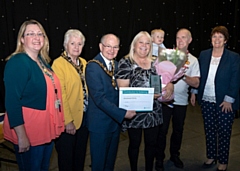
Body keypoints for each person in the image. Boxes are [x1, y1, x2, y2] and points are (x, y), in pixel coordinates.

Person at [3, 19, 65, 171]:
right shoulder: (18, 62)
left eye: (40, 34)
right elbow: (12, 101)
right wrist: (22, 136)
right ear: (22, 39)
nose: (36, 37)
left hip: (45, 128)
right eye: (30, 34)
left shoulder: (42, 61)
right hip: (29, 130)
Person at [115, 31, 174, 171]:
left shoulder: (156, 61)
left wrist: (170, 84)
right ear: (134, 45)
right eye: (141, 42)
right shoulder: (125, 62)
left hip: (154, 111)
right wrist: (147, 95)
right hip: (134, 112)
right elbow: (123, 90)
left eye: (148, 43)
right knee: (134, 144)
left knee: (151, 144)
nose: (144, 46)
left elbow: (165, 79)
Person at [191, 26, 240, 171]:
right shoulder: (204, 54)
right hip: (206, 99)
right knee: (209, 130)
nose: (217, 39)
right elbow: (198, 75)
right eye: (214, 36)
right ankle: (211, 156)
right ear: (211, 39)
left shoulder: (233, 57)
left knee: (224, 132)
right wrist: (194, 91)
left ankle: (223, 161)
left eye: (220, 37)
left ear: (225, 40)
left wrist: (229, 99)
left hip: (225, 102)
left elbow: (235, 79)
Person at [85, 33, 136, 171]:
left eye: (115, 47)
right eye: (108, 46)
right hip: (100, 125)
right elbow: (100, 99)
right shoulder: (93, 67)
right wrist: (123, 113)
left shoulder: (117, 65)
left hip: (114, 123)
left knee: (110, 163)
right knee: (99, 164)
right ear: (101, 46)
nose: (112, 50)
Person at [155, 28, 200, 171]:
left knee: (178, 130)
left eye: (183, 38)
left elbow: (196, 83)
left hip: (181, 101)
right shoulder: (167, 55)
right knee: (162, 131)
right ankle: (159, 159)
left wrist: (182, 74)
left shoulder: (193, 60)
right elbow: (156, 75)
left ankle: (175, 155)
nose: (180, 41)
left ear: (190, 40)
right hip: (165, 100)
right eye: (177, 37)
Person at [52, 29, 89, 171]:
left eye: (79, 44)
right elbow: (61, 95)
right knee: (66, 159)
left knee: (80, 157)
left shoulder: (84, 63)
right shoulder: (58, 64)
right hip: (69, 120)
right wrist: (68, 121)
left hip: (84, 117)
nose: (76, 47)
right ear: (65, 45)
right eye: (72, 43)